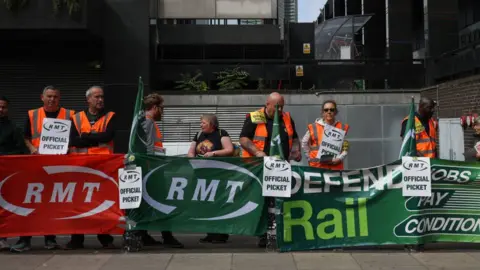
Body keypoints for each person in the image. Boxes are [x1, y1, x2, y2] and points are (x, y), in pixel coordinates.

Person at [10, 86, 74, 253]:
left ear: (59, 99)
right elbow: (25, 137)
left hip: (58, 165)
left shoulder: (70, 115)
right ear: (42, 97)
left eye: (55, 97)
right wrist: (32, 149)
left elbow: (74, 139)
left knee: (52, 203)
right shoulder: (32, 114)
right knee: (31, 202)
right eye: (49, 96)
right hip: (37, 165)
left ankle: (50, 239)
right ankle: (25, 239)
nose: (52, 99)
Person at [239, 92, 301, 248]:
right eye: (276, 107)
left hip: (280, 167)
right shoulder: (254, 117)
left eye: (282, 107)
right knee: (263, 201)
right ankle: (263, 234)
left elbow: (294, 138)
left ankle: (278, 232)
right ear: (267, 104)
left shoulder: (287, 118)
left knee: (279, 200)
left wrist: (296, 151)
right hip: (259, 167)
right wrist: (258, 152)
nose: (280, 111)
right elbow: (244, 139)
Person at [64, 86, 115, 249]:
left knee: (101, 203)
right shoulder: (76, 118)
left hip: (103, 167)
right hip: (80, 167)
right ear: (88, 100)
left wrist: (85, 136)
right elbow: (73, 140)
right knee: (79, 203)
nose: (100, 100)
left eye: (102, 97)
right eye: (96, 97)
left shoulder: (110, 116)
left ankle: (104, 236)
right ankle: (77, 238)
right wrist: (94, 139)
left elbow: (108, 136)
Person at [140, 93, 184, 248]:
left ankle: (143, 235)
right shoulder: (148, 123)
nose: (163, 112)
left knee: (147, 203)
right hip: (153, 170)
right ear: (154, 108)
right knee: (162, 204)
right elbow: (150, 149)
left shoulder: (146, 122)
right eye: (161, 108)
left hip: (152, 169)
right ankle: (167, 237)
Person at [187, 113, 234, 243]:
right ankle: (210, 232)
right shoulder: (198, 135)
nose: (200, 125)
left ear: (212, 124)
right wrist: (192, 158)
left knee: (218, 203)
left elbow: (229, 150)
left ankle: (221, 233)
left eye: (203, 123)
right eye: (200, 122)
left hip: (219, 174)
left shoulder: (221, 133)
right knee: (205, 203)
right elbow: (191, 151)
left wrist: (213, 153)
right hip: (201, 175)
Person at [400, 97, 437, 253]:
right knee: (413, 205)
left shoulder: (432, 122)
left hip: (430, 169)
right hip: (414, 169)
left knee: (424, 206)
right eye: (429, 108)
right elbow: (406, 144)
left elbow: (433, 145)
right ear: (421, 107)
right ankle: (410, 240)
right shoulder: (409, 121)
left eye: (433, 108)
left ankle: (420, 238)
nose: (432, 111)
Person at [0, 96, 28, 251]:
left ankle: (3, 237)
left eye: (3, 107)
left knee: (7, 208)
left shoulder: (13, 128)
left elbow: (22, 151)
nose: (1, 110)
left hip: (8, 175)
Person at [301, 100, 350, 170]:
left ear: (335, 112)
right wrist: (309, 157)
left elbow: (345, 147)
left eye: (331, 110)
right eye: (326, 110)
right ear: (323, 112)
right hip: (317, 167)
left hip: (335, 167)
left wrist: (340, 158)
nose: (329, 112)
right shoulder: (314, 126)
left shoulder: (341, 127)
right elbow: (304, 143)